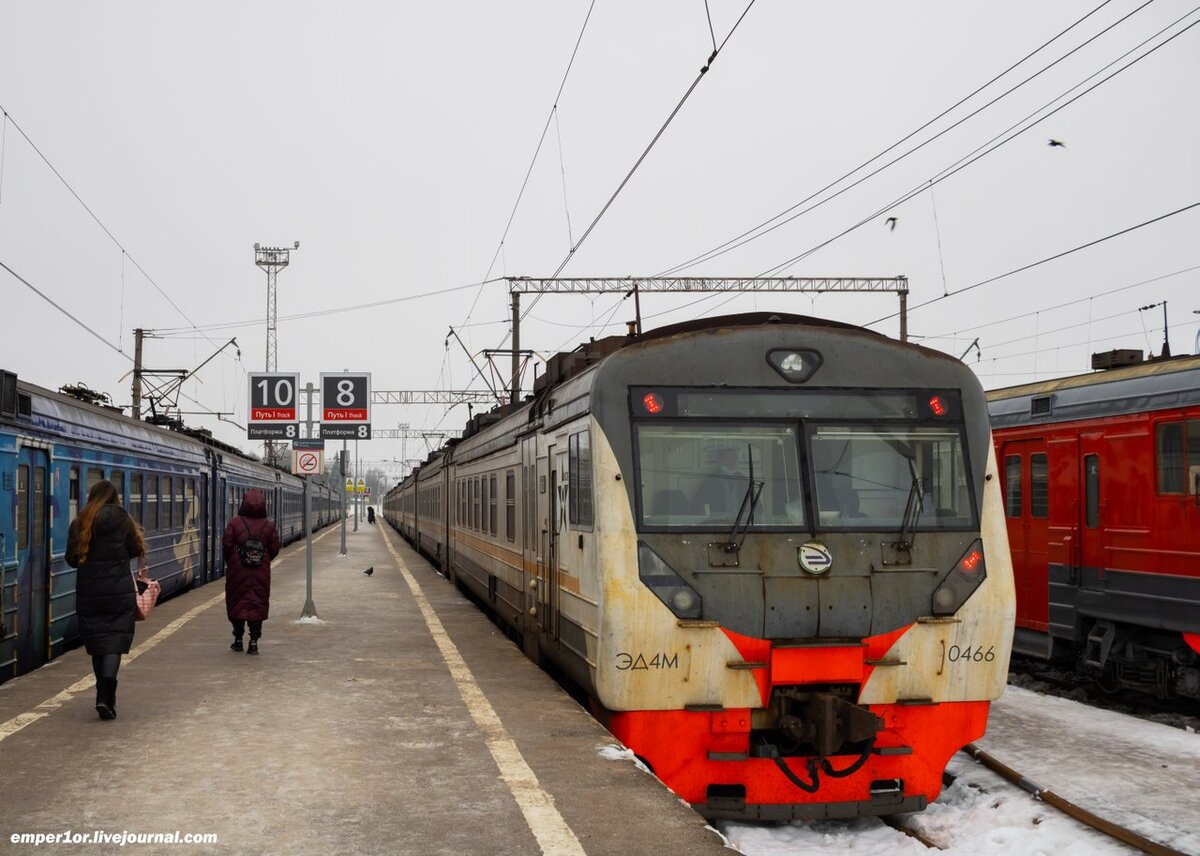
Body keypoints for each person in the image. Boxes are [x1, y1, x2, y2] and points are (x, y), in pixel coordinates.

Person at [66, 480, 146, 720]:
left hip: (89, 592)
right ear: (115, 498)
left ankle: (102, 695)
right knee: (113, 643)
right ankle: (105, 698)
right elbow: (135, 549)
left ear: (92, 496)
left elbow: (71, 558)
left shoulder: (81, 521)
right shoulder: (124, 520)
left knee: (97, 644)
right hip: (118, 593)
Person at [223, 488, 281, 655]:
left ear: (243, 503)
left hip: (237, 570)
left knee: (237, 602)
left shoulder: (235, 523)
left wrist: (233, 560)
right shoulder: (269, 526)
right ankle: (254, 642)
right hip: (260, 571)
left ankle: (238, 639)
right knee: (257, 603)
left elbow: (227, 544)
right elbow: (275, 548)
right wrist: (263, 560)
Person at [691, 446, 746, 518]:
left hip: (740, 523)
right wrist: (712, 515)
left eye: (735, 458)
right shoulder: (711, 480)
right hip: (718, 522)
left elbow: (756, 505)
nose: (732, 461)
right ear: (720, 461)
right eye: (728, 458)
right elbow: (699, 504)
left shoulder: (743, 480)